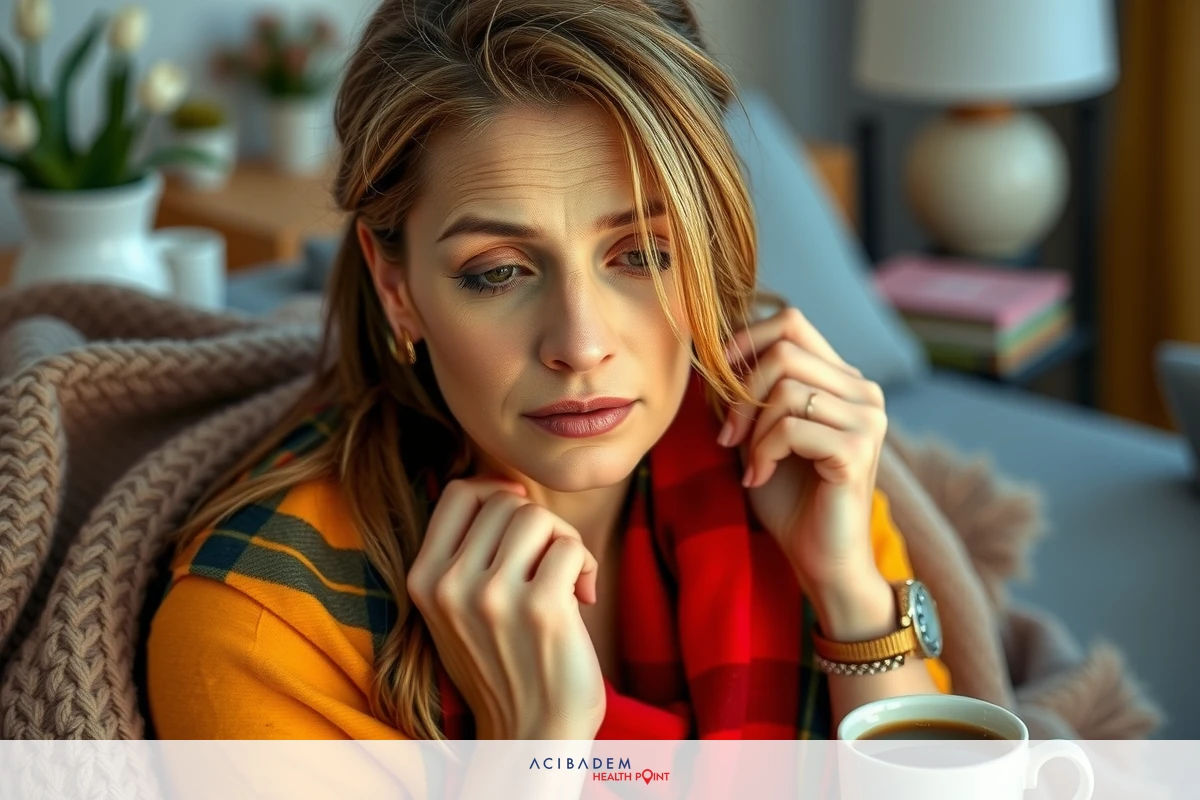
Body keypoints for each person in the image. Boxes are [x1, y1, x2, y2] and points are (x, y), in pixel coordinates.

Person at [146, 0, 951, 744]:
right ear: (398, 290)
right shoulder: (258, 631)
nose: (581, 342)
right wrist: (535, 756)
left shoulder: (795, 470)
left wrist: (849, 591)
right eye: (497, 271)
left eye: (642, 254)